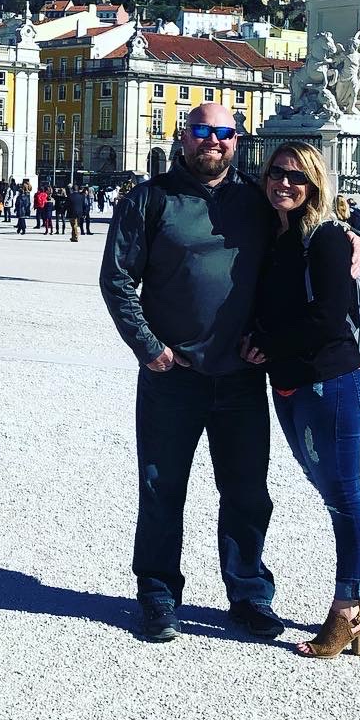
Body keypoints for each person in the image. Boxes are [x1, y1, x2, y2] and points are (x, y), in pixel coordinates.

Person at [99, 103, 288, 645]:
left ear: (236, 141)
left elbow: (295, 258)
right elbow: (117, 279)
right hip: (171, 376)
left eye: (225, 132)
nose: (214, 140)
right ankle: (158, 594)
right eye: (203, 130)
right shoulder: (149, 200)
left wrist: (354, 238)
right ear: (184, 137)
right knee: (162, 489)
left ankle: (249, 594)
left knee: (247, 491)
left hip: (241, 377)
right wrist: (149, 349)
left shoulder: (256, 200)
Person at [248, 142, 360, 658]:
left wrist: (268, 344)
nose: (284, 183)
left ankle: (350, 605)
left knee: (345, 495)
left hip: (332, 381)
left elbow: (329, 319)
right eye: (276, 173)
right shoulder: (272, 235)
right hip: (289, 382)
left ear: (314, 184)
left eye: (296, 177)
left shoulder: (328, 238)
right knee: (330, 488)